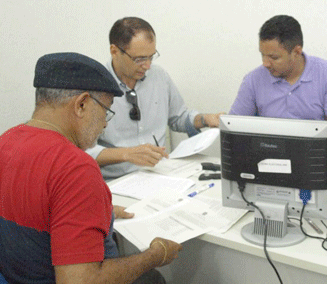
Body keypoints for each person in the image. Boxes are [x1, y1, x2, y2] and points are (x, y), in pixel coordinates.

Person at [0, 52, 232, 284]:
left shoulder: (2, 145)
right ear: (82, 104)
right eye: (106, 112)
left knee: (152, 280)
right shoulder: (74, 166)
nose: (105, 126)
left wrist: (96, 213)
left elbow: (33, 217)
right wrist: (154, 256)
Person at [86, 17, 224, 180]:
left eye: (151, 57)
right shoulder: (93, 88)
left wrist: (204, 119)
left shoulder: (159, 77)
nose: (147, 65)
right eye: (139, 59)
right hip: (116, 181)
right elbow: (82, 152)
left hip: (161, 173)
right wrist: (126, 154)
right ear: (114, 51)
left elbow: (178, 118)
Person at [229, 15, 327, 121]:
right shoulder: (253, 80)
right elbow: (234, 126)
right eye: (262, 55)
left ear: (296, 52)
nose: (265, 63)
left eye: (274, 57)